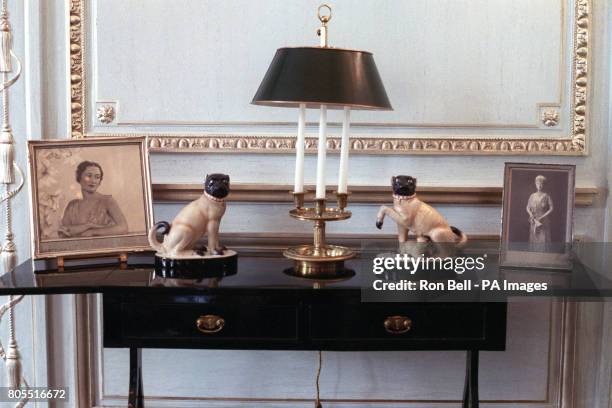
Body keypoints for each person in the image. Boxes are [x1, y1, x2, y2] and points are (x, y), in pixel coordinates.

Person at [59, 161, 128, 237]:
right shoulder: (72, 205)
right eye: (89, 176)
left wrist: (93, 232)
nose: (93, 181)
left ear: (100, 181)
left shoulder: (107, 201)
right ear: (79, 177)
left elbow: (123, 227)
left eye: (97, 177)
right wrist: (88, 225)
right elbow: (62, 232)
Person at [526, 175, 554, 250]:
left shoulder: (546, 196)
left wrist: (542, 217)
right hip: (534, 220)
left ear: (544, 185)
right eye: (538, 183)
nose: (540, 185)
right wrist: (531, 214)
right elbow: (528, 207)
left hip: (543, 220)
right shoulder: (532, 196)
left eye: (542, 184)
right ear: (535, 184)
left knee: (543, 238)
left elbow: (551, 208)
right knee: (534, 237)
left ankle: (543, 257)